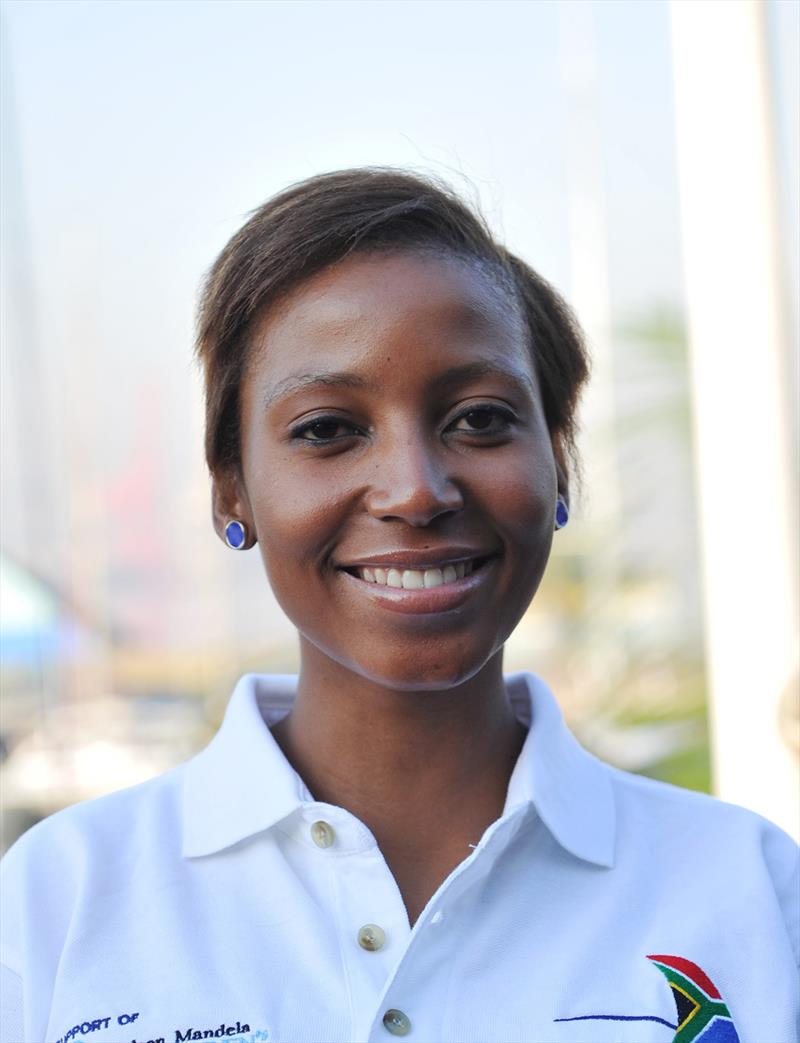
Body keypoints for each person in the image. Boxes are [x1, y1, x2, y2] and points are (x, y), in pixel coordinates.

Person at [1, 169, 797, 1043]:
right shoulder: (58, 902)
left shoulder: (751, 892)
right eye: (327, 429)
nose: (416, 490)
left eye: (481, 418)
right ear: (233, 489)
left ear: (559, 466)